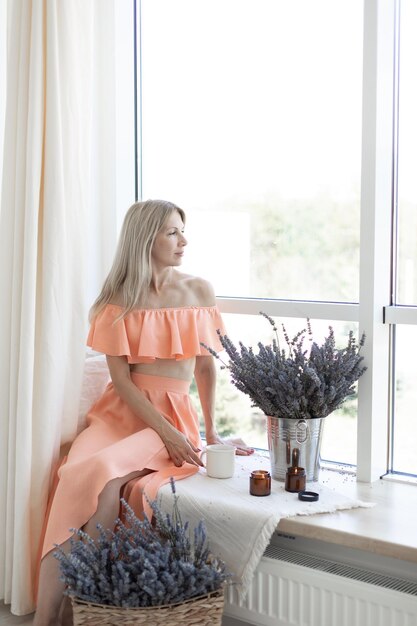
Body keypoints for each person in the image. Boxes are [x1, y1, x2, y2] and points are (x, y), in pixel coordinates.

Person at [34, 199, 254, 626]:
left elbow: (206, 367)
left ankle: (79, 608)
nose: (183, 241)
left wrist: (209, 434)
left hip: (172, 413)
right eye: (172, 232)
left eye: (182, 232)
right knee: (76, 472)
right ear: (144, 238)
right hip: (121, 411)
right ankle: (50, 617)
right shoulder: (117, 299)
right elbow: (122, 381)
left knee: (106, 475)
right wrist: (165, 432)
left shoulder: (198, 291)